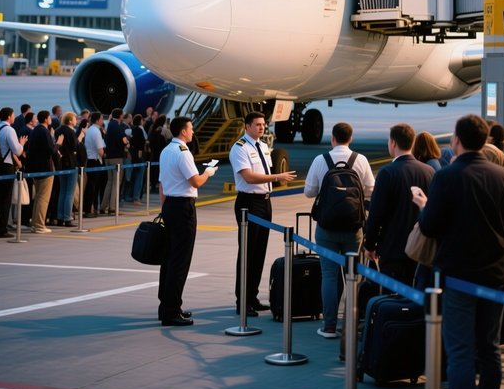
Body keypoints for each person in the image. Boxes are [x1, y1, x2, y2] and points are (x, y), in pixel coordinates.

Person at [414, 114, 504, 389]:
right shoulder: (503, 177)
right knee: (490, 348)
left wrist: (424, 206)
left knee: (459, 350)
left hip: (458, 276)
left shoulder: (446, 176)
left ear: (456, 140)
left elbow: (430, 226)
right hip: (496, 276)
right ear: (485, 141)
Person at [304, 121, 375, 338]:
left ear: (332, 138)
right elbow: (371, 189)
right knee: (354, 276)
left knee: (329, 275)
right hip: (354, 228)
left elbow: (309, 191)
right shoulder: (360, 160)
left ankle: (329, 326)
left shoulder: (320, 160)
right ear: (350, 139)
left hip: (326, 228)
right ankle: (352, 324)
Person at [230, 111, 296, 316]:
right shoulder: (239, 148)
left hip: (265, 202)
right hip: (249, 202)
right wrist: (278, 176)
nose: (261, 128)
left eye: (263, 125)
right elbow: (249, 177)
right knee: (248, 253)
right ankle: (242, 300)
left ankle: (253, 296)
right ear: (247, 126)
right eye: (257, 125)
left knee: (259, 252)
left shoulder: (264, 146)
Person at [157, 116, 217, 325]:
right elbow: (196, 181)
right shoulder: (183, 153)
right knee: (180, 260)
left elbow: (162, 185)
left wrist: (164, 209)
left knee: (169, 257)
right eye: (190, 128)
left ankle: (166, 305)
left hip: (170, 206)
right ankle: (171, 311)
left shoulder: (166, 151)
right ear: (183, 131)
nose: (192, 132)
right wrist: (208, 172)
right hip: (183, 207)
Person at [364, 123, 434, 285]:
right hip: (421, 248)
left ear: (393, 143)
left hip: (393, 249)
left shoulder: (387, 172)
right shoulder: (429, 171)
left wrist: (370, 245)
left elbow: (376, 213)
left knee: (393, 298)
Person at [0, 108, 27, 238]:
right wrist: (22, 144)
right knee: (5, 199)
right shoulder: (9, 129)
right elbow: (17, 151)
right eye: (13, 115)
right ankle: (2, 229)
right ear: (9, 116)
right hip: (6, 165)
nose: (14, 117)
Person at [25, 110, 60, 234]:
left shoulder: (35, 130)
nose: (50, 119)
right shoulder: (44, 131)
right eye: (49, 117)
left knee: (39, 197)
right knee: (43, 198)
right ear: (46, 119)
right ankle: (40, 225)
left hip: (36, 168)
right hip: (45, 168)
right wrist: (58, 144)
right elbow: (51, 150)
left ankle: (35, 223)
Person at [54, 111, 80, 226]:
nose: (76, 120)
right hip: (71, 163)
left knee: (62, 191)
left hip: (61, 163)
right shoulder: (71, 132)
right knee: (70, 192)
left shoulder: (58, 130)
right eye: (74, 118)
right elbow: (75, 147)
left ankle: (60, 217)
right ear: (70, 120)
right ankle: (67, 217)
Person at [102, 108, 127, 214]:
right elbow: (123, 140)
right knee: (117, 182)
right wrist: (127, 143)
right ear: (120, 116)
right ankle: (112, 207)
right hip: (116, 157)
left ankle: (103, 206)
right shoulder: (117, 126)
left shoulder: (110, 124)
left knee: (110, 182)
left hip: (109, 157)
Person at [83, 111, 106, 217]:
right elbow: (100, 151)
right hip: (95, 160)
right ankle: (90, 209)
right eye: (101, 118)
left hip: (89, 160)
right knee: (93, 187)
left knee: (90, 186)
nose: (102, 120)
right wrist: (105, 155)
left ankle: (90, 208)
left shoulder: (89, 130)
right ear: (97, 120)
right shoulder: (96, 131)